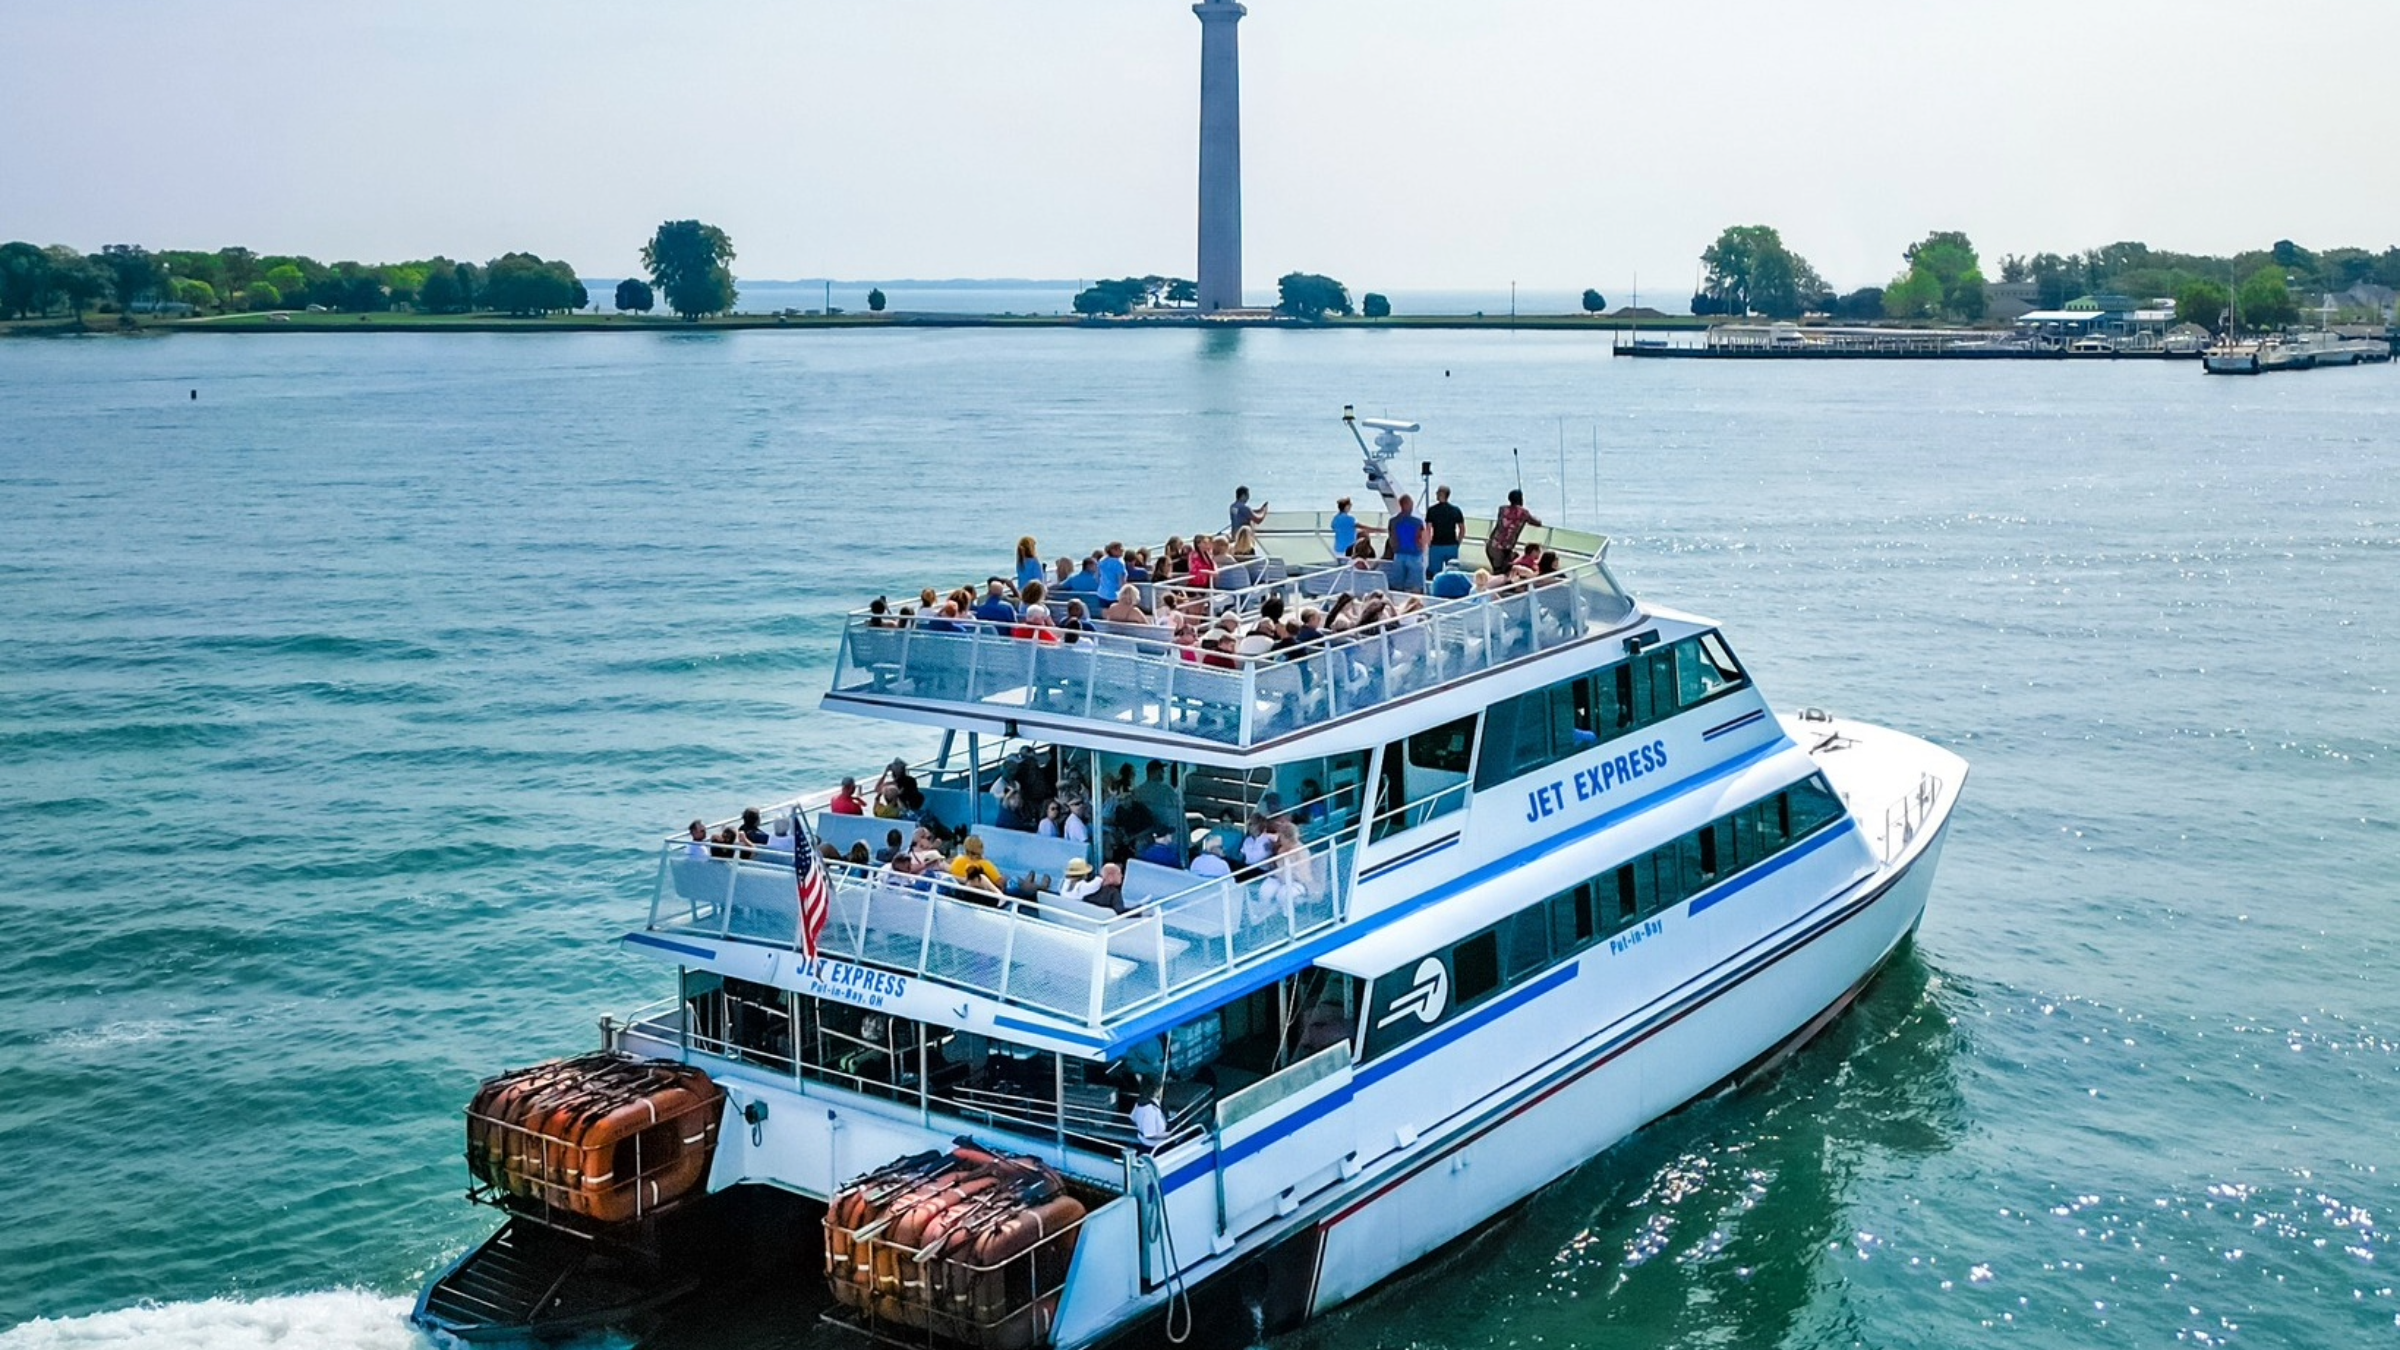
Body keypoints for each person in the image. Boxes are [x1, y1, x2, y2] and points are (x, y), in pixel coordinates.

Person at [1486, 488, 1543, 571]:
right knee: (1502, 570)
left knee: (1499, 569)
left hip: (1491, 545)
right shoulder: (1523, 512)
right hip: (1502, 549)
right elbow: (1537, 523)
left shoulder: (1502, 509)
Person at [1388, 493, 1427, 593]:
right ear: (1408, 505)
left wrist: (1395, 549)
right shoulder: (1417, 522)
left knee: (1397, 585)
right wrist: (1422, 549)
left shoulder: (1393, 521)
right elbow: (1421, 538)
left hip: (1399, 554)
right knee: (1415, 587)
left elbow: (1391, 537)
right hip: (1414, 555)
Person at [1425, 485, 1465, 578]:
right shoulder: (1456, 510)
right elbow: (1462, 529)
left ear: (1441, 494)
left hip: (1436, 545)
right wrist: (1458, 542)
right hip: (1451, 545)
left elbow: (1428, 529)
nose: (1436, 494)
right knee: (1452, 573)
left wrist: (1429, 542)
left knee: (1434, 573)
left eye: (1438, 492)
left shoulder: (1432, 510)